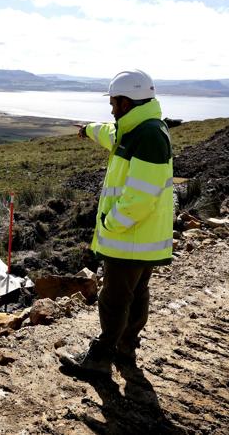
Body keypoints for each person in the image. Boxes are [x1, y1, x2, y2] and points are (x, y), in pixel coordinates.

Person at [60, 69, 174, 375]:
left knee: (114, 298)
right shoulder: (136, 129)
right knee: (136, 294)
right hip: (139, 236)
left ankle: (100, 359)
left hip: (129, 236)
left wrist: (111, 224)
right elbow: (110, 134)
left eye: (114, 102)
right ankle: (126, 348)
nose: (111, 108)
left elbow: (141, 197)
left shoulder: (149, 136)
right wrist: (87, 129)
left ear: (126, 101)